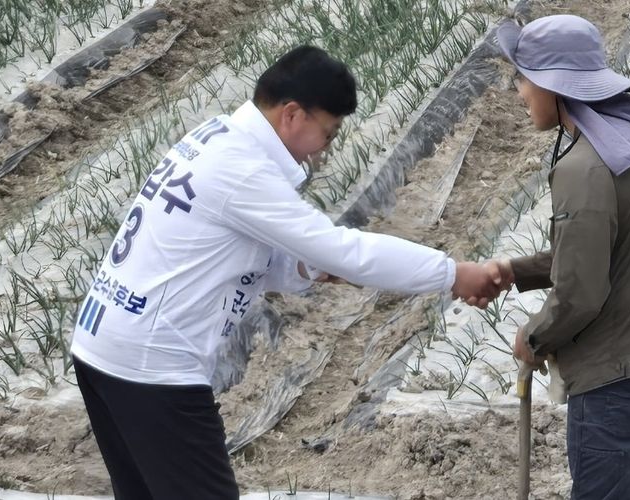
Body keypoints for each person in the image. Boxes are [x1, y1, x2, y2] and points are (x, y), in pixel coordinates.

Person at [69, 45, 505, 499]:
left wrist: (304, 269)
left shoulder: (219, 138)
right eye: (329, 133)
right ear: (292, 114)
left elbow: (239, 253)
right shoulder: (243, 170)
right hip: (152, 367)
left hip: (107, 345)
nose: (326, 150)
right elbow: (344, 251)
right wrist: (453, 274)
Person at [487, 15, 630, 499]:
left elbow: (581, 293)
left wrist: (534, 336)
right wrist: (513, 271)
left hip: (628, 391)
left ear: (554, 86)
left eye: (523, 78)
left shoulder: (584, 167)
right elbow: (616, 247)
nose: (519, 91)